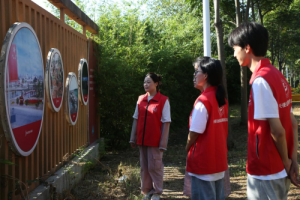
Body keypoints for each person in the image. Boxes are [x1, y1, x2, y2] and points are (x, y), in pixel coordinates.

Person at [228, 22, 300, 200]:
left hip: (267, 171)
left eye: (235, 48)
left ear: (247, 47)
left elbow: (278, 130)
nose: (233, 53)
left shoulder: (261, 81)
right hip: (279, 170)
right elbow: (293, 123)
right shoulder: (277, 75)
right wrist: (293, 160)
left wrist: (286, 162)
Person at [185, 57, 228, 200]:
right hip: (218, 162)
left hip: (203, 163)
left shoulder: (203, 101)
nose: (194, 76)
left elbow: (194, 132)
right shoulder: (221, 99)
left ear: (206, 75)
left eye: (196, 72)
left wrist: (187, 148)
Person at [129, 72, 171, 200]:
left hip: (155, 141)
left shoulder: (163, 100)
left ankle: (157, 192)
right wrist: (133, 137)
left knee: (155, 166)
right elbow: (136, 118)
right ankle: (146, 191)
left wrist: (163, 143)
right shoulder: (140, 99)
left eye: (149, 82)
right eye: (144, 82)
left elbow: (166, 122)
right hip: (142, 140)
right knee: (144, 167)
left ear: (156, 84)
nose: (145, 85)